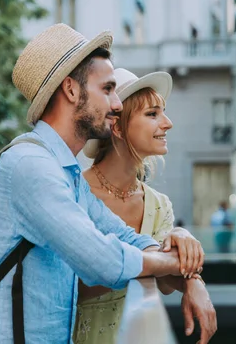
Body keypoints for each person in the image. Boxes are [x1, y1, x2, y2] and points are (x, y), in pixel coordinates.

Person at [0, 24, 203, 343]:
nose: (117, 104)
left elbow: (120, 234)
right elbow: (101, 260)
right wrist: (172, 261)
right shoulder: (31, 167)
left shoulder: (63, 171)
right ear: (71, 90)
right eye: (107, 89)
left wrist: (187, 271)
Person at [74, 68, 217, 344]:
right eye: (152, 114)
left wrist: (192, 280)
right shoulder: (76, 193)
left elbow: (163, 282)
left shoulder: (159, 205)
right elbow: (70, 282)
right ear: (116, 127)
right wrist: (170, 263)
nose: (168, 123)